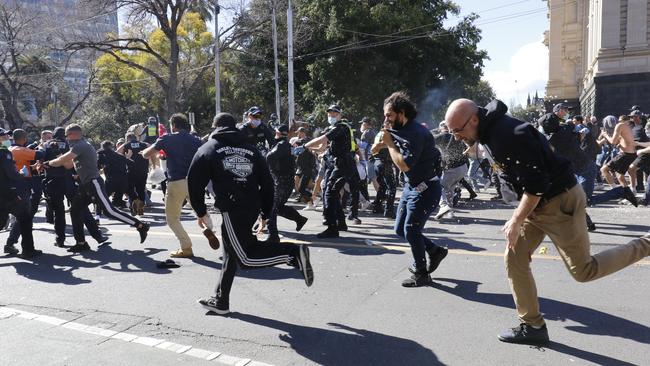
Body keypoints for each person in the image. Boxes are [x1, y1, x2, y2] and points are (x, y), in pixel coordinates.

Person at [445, 98, 650, 345]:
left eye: (458, 131)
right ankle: (532, 325)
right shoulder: (488, 131)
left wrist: (515, 220)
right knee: (515, 255)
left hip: (558, 202)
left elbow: (536, 186)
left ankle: (646, 244)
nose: (456, 138)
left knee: (584, 271)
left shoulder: (508, 135)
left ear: (474, 119)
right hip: (537, 204)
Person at [188, 113, 313, 315]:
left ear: (215, 127)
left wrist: (200, 211)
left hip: (232, 207)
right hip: (251, 205)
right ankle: (220, 300)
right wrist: (265, 211)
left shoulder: (209, 149)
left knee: (245, 258)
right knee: (230, 254)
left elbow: (194, 181)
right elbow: (267, 183)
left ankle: (292, 253)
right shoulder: (251, 149)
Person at [375, 92, 447, 287]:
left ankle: (421, 273)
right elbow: (386, 144)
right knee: (400, 229)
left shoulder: (416, 133)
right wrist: (381, 143)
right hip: (411, 187)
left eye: (389, 115)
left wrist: (388, 143)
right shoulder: (400, 128)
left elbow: (405, 165)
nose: (386, 119)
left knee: (411, 230)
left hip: (426, 189)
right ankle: (434, 251)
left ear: (402, 112)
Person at [44, 124, 149, 252]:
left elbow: (62, 160)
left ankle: (141, 225)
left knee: (109, 211)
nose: (66, 138)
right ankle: (81, 243)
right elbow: (67, 164)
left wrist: (48, 163)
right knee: (75, 210)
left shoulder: (81, 146)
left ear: (73, 135)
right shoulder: (78, 147)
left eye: (67, 135)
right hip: (85, 185)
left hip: (94, 183)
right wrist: (56, 159)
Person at [142, 113, 204, 258]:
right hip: (195, 181)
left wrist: (145, 150)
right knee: (200, 211)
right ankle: (209, 228)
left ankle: (186, 247)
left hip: (176, 181)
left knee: (172, 218)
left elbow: (146, 154)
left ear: (173, 125)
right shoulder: (196, 140)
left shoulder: (167, 138)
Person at [43, 128, 106, 247]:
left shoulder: (46, 145)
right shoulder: (71, 145)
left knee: (59, 212)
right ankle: (98, 235)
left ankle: (60, 239)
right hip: (69, 180)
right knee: (82, 209)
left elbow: (39, 157)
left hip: (53, 182)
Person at [305, 104, 358, 238]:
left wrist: (304, 145)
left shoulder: (341, 127)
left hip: (343, 164)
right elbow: (323, 146)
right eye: (329, 114)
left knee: (329, 192)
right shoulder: (336, 128)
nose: (331, 116)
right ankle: (340, 223)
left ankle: (331, 227)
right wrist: (312, 149)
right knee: (332, 192)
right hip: (340, 164)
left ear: (340, 115)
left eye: (334, 114)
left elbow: (323, 140)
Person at [260, 124, 308, 243]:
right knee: (278, 207)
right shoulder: (284, 144)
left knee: (272, 207)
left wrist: (263, 157)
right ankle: (299, 219)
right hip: (284, 181)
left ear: (277, 133)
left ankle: (273, 235)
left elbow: (269, 157)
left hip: (281, 181)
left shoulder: (281, 145)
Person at [0, 128, 40, 259]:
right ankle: (28, 250)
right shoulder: (4, 153)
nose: (7, 138)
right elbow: (11, 174)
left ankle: (25, 248)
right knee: (25, 219)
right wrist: (22, 173)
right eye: (4, 136)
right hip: (8, 193)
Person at [433, 122, 474, 220]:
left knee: (439, 187)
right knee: (449, 188)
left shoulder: (443, 135)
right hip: (463, 168)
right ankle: (449, 213)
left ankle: (444, 206)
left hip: (453, 169)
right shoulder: (457, 135)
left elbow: (428, 141)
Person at [598, 115, 638, 206]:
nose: (617, 123)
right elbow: (625, 140)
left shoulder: (620, 125)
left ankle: (617, 191)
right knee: (620, 176)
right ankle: (629, 196)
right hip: (630, 154)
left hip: (625, 154)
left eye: (618, 121)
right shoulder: (629, 127)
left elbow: (612, 142)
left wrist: (605, 135)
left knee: (604, 169)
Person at [370, 120, 397, 218]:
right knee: (392, 187)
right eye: (390, 124)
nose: (392, 125)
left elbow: (374, 148)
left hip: (378, 162)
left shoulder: (379, 133)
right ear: (385, 124)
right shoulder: (386, 133)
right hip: (384, 162)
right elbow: (378, 146)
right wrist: (391, 145)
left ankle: (377, 206)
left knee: (383, 186)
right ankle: (389, 210)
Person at [119, 133, 150, 216]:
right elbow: (150, 149)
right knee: (141, 189)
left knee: (129, 188)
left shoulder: (127, 145)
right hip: (143, 171)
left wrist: (125, 144)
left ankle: (135, 202)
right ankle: (141, 208)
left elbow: (117, 153)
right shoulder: (143, 144)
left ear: (127, 139)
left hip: (131, 171)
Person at [97, 140, 131, 208]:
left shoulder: (101, 155)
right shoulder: (120, 156)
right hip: (123, 180)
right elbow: (131, 163)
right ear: (111, 147)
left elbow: (97, 167)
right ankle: (127, 204)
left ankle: (99, 208)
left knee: (103, 198)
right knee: (116, 201)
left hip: (111, 180)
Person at [627, 110, 649, 192]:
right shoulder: (634, 127)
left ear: (639, 117)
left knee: (631, 168)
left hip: (644, 152)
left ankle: (634, 190)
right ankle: (638, 187)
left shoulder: (642, 127)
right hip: (640, 152)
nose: (631, 118)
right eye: (631, 117)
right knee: (639, 170)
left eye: (633, 117)